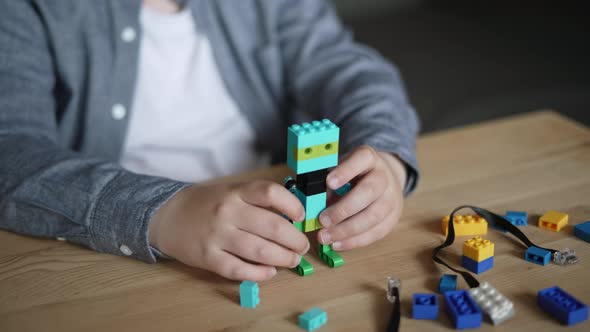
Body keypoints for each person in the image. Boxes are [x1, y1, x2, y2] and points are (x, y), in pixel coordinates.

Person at [0, 0, 420, 281]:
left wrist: (386, 154)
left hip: (272, 221)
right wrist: (161, 212)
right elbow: (11, 148)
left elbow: (345, 66)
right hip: (114, 255)